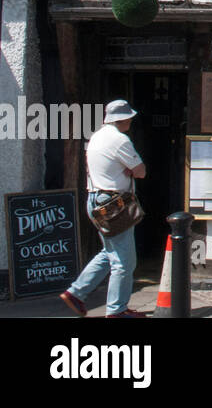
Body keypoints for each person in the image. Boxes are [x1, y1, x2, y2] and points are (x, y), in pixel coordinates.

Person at [60, 100, 148, 319]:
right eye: (129, 117)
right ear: (123, 119)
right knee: (124, 261)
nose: (131, 120)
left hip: (95, 199)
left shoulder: (97, 136)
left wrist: (127, 169)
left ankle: (76, 293)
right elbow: (141, 171)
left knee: (109, 253)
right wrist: (131, 169)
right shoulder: (120, 140)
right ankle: (116, 310)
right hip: (113, 203)